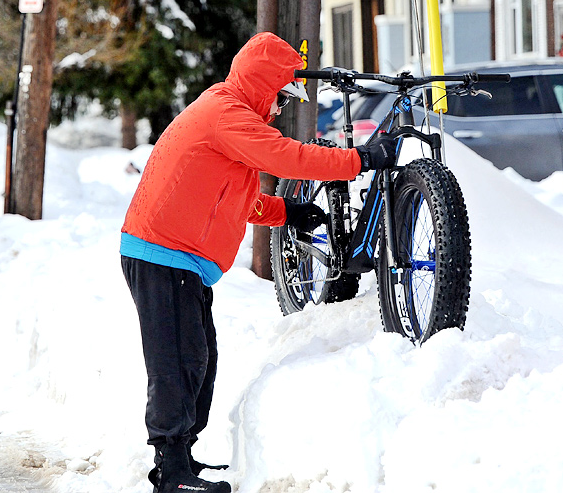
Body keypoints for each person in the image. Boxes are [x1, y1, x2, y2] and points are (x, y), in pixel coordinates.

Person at [120, 32, 399, 493]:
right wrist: (358, 159)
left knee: (199, 359)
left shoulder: (231, 115)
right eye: (282, 96)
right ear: (264, 84)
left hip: (177, 256)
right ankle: (171, 473)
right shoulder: (227, 114)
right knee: (176, 361)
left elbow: (234, 200)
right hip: (162, 253)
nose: (282, 108)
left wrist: (286, 212)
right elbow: (285, 157)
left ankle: (182, 458)